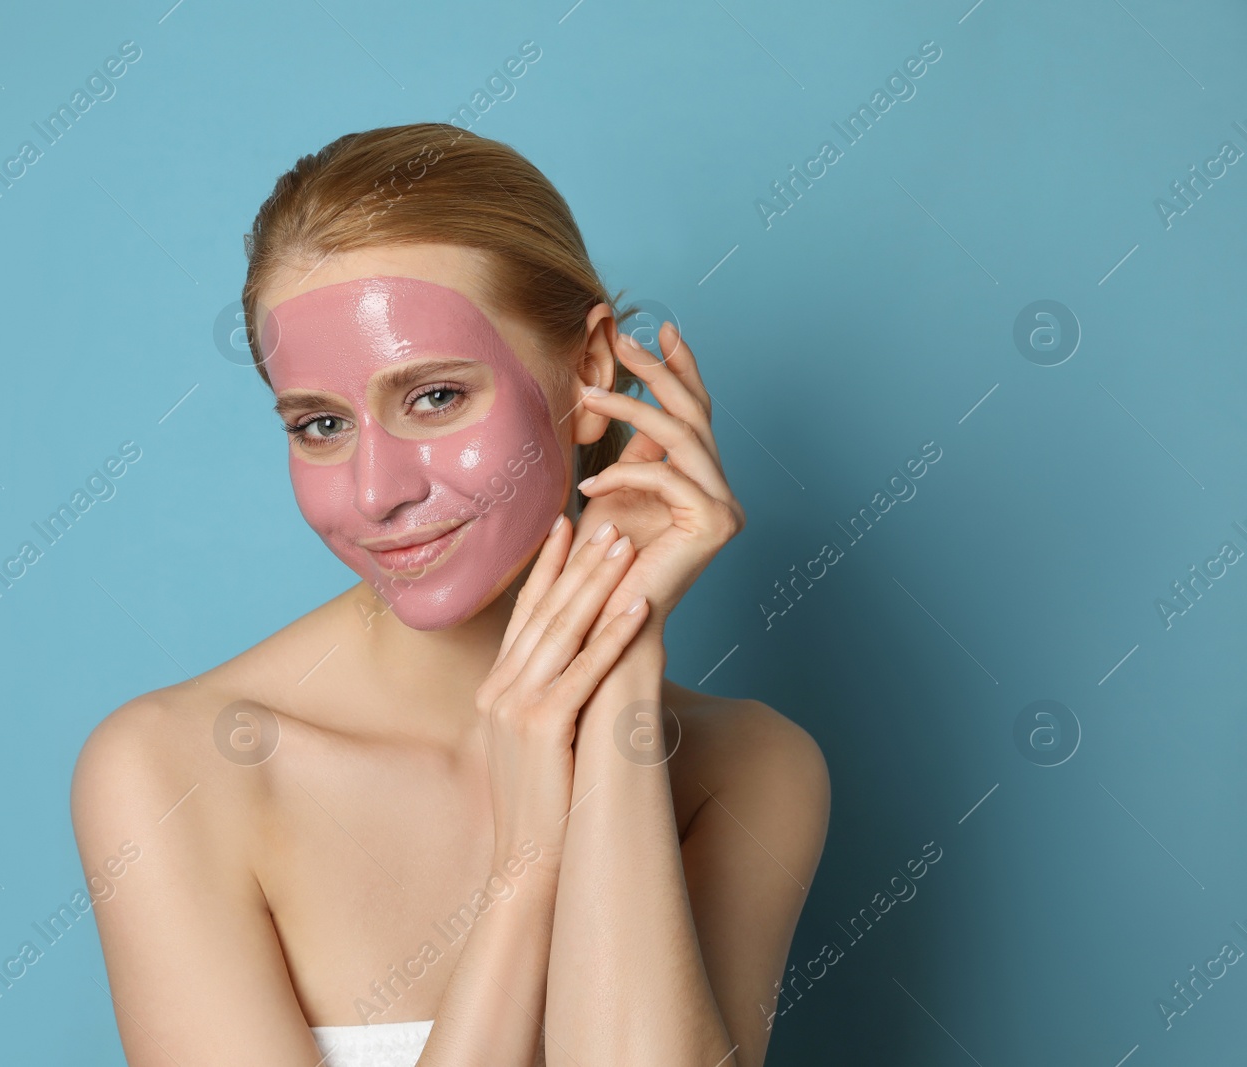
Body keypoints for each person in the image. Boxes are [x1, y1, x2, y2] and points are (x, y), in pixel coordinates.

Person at [71, 122, 830, 1067]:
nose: (376, 490)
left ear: (591, 367)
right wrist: (527, 869)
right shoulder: (179, 772)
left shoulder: (751, 771)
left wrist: (618, 674)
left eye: (434, 398)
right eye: (318, 424)